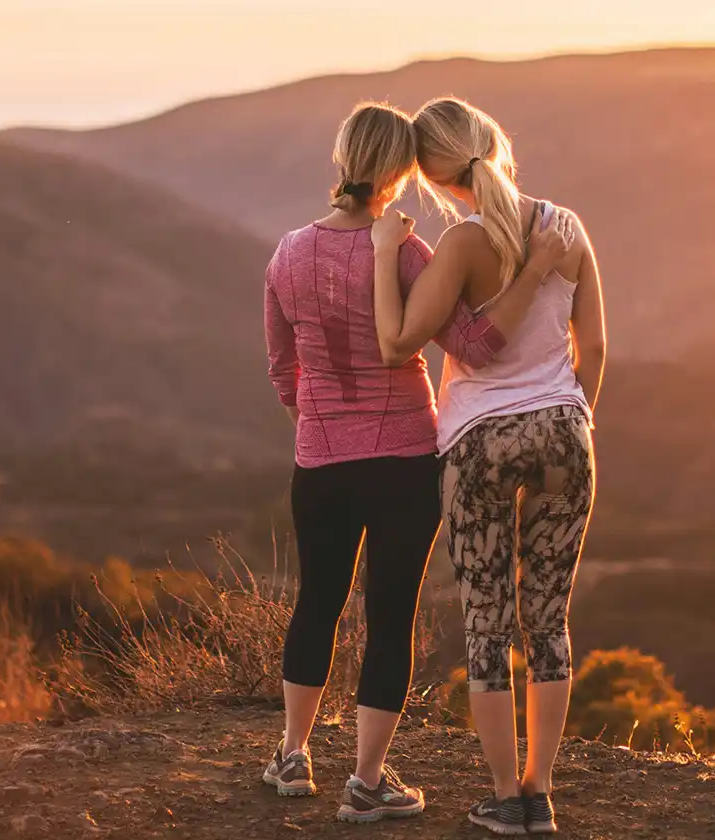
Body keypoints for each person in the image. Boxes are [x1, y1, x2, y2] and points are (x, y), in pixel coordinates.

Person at [260, 100, 569, 824]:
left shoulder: (287, 253)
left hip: (322, 458)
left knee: (317, 601)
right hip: (404, 459)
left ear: (341, 161)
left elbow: (281, 367)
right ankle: (367, 782)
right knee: (389, 615)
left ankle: (293, 755)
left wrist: (318, 419)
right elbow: (474, 345)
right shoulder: (408, 254)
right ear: (401, 173)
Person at [371, 96, 605, 835]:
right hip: (566, 432)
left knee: (488, 622)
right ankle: (542, 790)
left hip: (479, 443)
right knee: (549, 618)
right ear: (495, 142)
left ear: (436, 181)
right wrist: (574, 417)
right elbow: (593, 349)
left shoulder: (463, 248)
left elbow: (430, 341)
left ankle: (508, 797)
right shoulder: (566, 228)